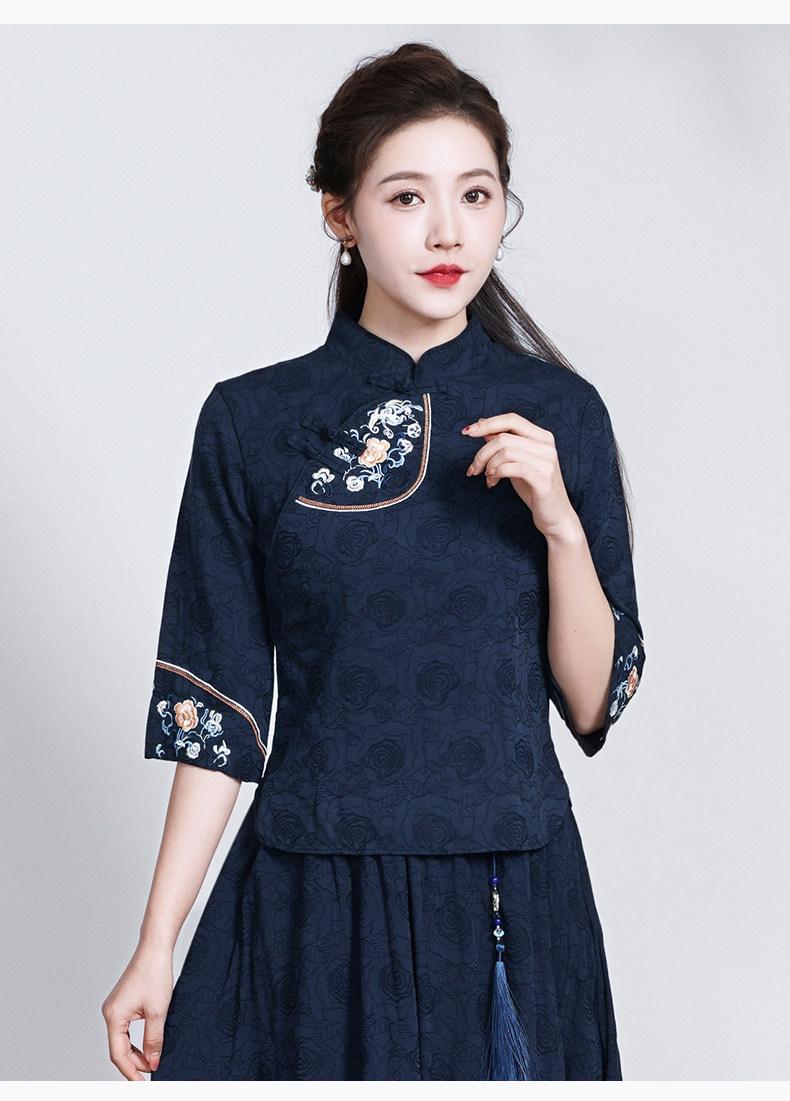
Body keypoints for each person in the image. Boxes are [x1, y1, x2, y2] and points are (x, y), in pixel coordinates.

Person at [102, 41, 645, 1082]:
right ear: (340, 215)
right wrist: (155, 944)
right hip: (308, 896)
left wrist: (561, 524)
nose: (448, 231)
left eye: (476, 195)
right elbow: (218, 709)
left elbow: (590, 704)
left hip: (509, 898)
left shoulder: (562, 415)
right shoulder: (251, 422)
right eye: (406, 197)